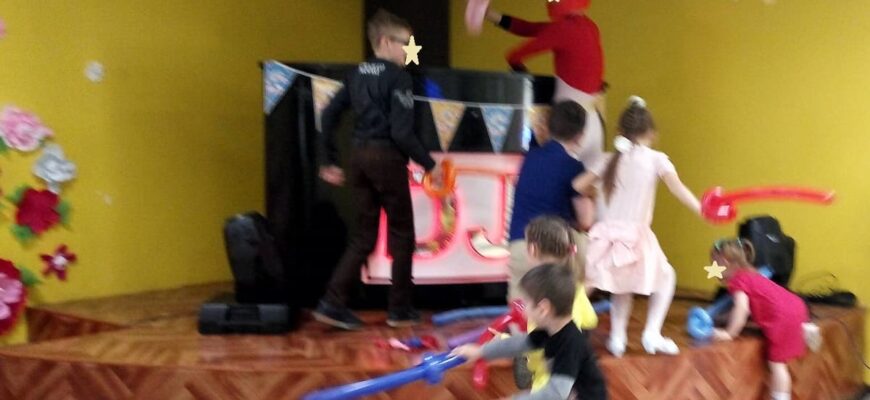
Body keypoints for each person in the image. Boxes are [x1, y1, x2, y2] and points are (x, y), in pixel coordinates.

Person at [313, 9, 442, 330]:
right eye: (404, 43)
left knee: (364, 235)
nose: (408, 51)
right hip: (386, 158)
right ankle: (400, 310)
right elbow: (402, 133)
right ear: (384, 41)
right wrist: (430, 165)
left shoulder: (356, 74)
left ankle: (332, 302)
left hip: (358, 158)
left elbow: (327, 115)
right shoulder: (399, 77)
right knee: (402, 233)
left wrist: (328, 159)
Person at [572, 96, 702, 357]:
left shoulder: (609, 159)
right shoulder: (656, 159)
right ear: (651, 132)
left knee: (622, 286)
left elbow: (578, 185)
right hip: (635, 235)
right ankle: (651, 333)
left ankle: (618, 338)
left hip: (607, 233)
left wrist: (595, 192)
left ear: (620, 131)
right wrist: (701, 209)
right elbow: (677, 188)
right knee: (666, 277)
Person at [452, 263, 608, 400]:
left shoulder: (571, 344)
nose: (523, 309)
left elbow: (556, 393)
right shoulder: (550, 329)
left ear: (543, 309)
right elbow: (521, 343)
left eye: (526, 303)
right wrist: (481, 351)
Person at [484, 0, 605, 166]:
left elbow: (517, 53)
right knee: (590, 174)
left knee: (558, 174)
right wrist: (493, 16)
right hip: (592, 120)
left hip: (568, 123)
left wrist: (516, 65)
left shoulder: (563, 28)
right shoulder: (590, 26)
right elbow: (530, 29)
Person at [711, 238, 822, 400]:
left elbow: (742, 309)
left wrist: (729, 333)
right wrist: (722, 318)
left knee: (777, 364)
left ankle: (781, 398)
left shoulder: (738, 281)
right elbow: (749, 307)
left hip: (782, 317)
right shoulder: (753, 275)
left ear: (725, 261)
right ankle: (805, 328)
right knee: (789, 335)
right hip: (797, 307)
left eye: (714, 263)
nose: (713, 269)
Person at [508, 101, 594, 302]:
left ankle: (520, 324)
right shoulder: (573, 167)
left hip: (520, 245)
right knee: (588, 251)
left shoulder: (530, 157)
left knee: (520, 307)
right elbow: (586, 220)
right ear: (580, 135)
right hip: (552, 250)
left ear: (548, 127)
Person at [515, 216, 599, 391]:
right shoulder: (575, 286)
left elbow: (537, 348)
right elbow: (590, 320)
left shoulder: (538, 295)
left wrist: (512, 347)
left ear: (532, 249)